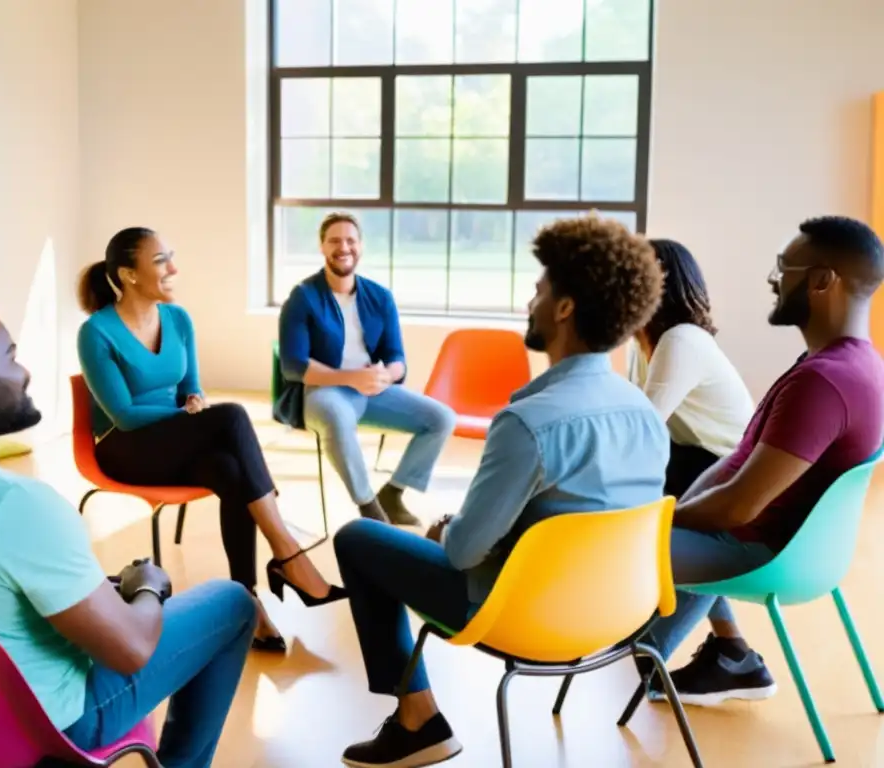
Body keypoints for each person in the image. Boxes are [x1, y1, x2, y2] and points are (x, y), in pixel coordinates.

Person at [0, 291, 255, 767]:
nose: (24, 371)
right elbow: (132, 649)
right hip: (52, 725)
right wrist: (148, 588)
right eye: (10, 357)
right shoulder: (16, 504)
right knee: (234, 603)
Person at [333, 216, 670, 767]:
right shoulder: (645, 413)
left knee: (358, 538)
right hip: (621, 615)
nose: (529, 301)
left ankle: (417, 718)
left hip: (529, 618)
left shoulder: (529, 423)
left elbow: (463, 553)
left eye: (540, 290)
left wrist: (451, 531)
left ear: (565, 309)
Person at [641, 215, 884, 707]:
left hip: (755, 551)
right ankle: (669, 647)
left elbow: (737, 509)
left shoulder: (823, 382)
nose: (773, 280)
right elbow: (739, 468)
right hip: (789, 549)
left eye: (782, 268)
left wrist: (658, 519)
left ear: (821, 280)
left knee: (583, 542)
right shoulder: (855, 365)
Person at [76, 227, 345, 654]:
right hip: (124, 448)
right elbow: (124, 416)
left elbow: (191, 390)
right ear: (128, 274)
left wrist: (193, 404)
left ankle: (248, 600)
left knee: (228, 468)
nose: (173, 268)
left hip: (173, 440)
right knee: (233, 416)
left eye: (171, 256)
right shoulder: (97, 332)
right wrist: (188, 415)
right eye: (161, 260)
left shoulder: (178, 319)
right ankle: (287, 551)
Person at [276, 211, 457, 526]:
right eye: (334, 240)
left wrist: (387, 375)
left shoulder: (380, 297)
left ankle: (394, 493)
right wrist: (350, 377)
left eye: (350, 240)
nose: (343, 247)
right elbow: (293, 366)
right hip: (323, 391)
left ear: (360, 246)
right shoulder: (302, 297)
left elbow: (397, 357)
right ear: (322, 247)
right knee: (336, 416)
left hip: (373, 390)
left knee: (441, 418)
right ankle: (369, 506)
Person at [626, 238, 754, 498]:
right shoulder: (642, 343)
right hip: (690, 456)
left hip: (722, 467)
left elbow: (643, 428)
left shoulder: (681, 340)